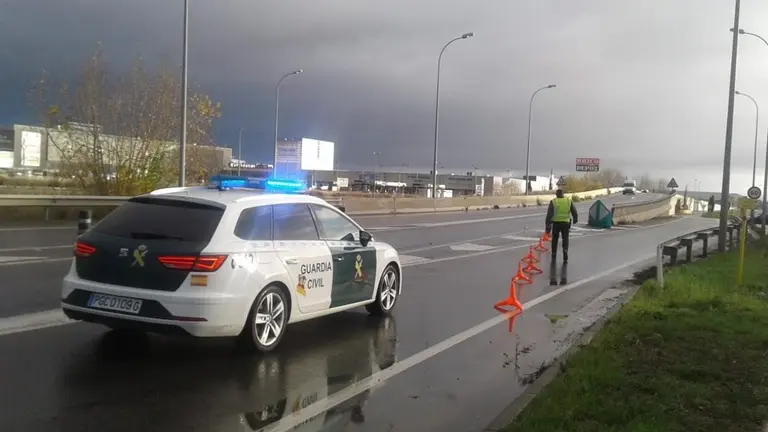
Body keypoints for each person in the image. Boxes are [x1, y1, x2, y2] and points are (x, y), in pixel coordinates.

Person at [545, 188, 578, 265]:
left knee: (555, 239)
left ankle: (554, 254)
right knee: (565, 239)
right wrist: (575, 219)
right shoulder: (568, 201)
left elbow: (549, 214)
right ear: (563, 194)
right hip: (565, 223)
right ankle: (565, 253)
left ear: (556, 194)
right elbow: (574, 211)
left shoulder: (553, 201)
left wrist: (548, 226)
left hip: (556, 223)